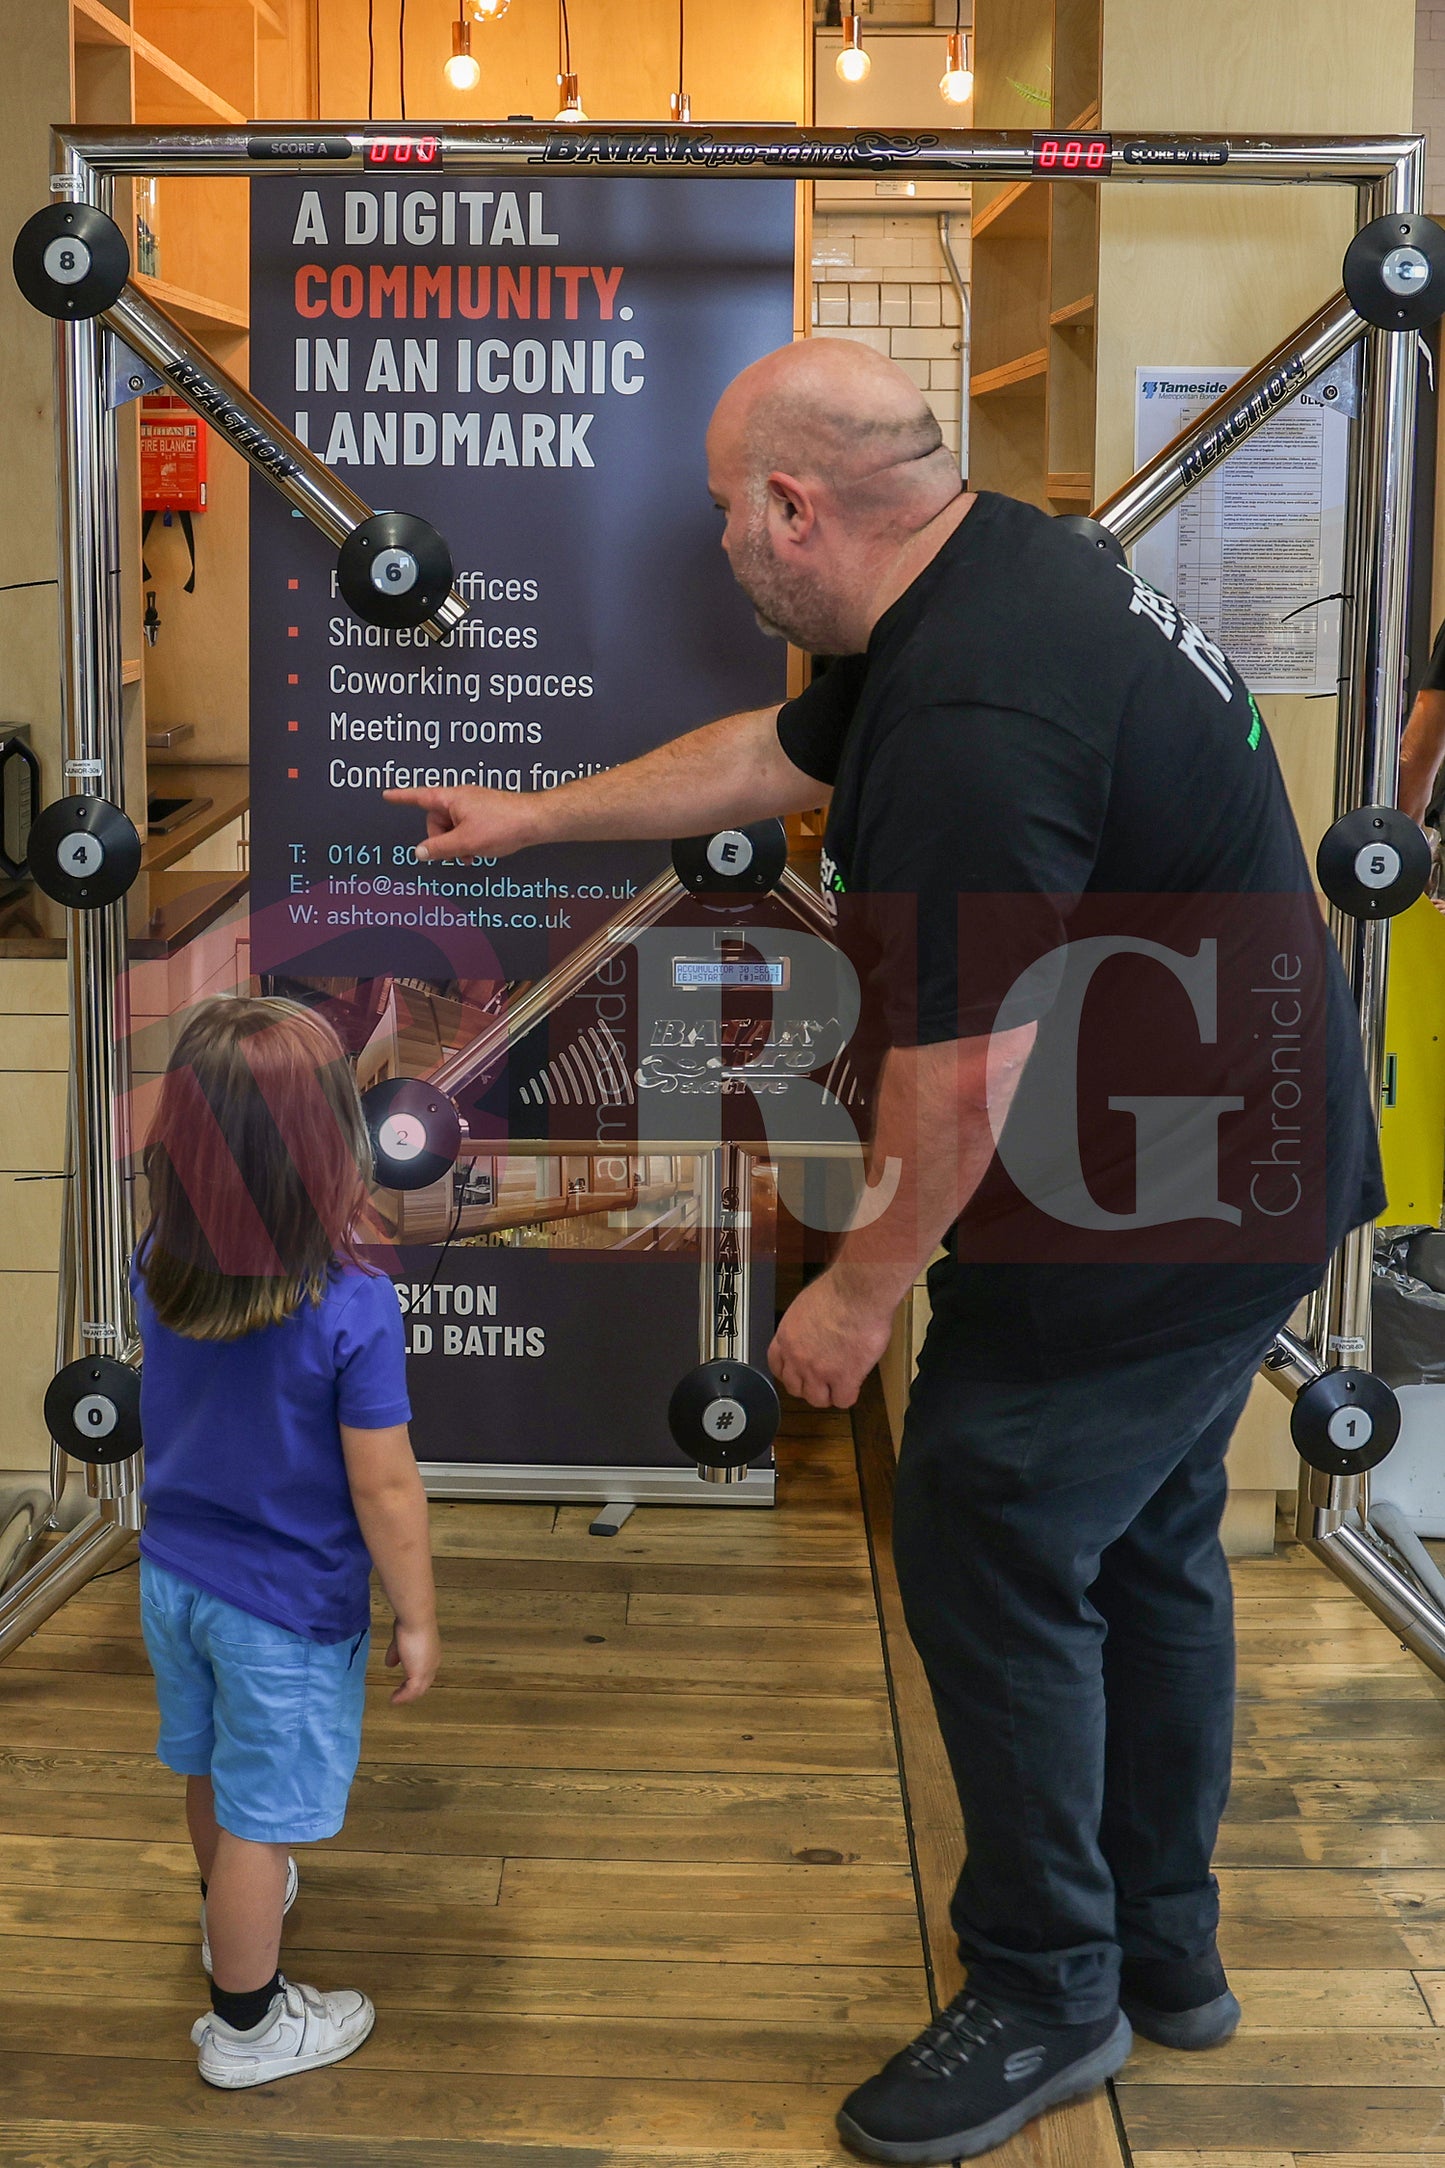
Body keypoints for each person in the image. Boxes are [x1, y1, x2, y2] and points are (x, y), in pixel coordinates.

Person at [387, 338, 1384, 2165]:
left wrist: (856, 1294)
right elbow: (774, 750)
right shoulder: (995, 572)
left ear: (794, 506)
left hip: (1155, 1207)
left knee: (990, 1522)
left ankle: (1047, 1985)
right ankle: (1166, 1949)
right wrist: (539, 815)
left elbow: (961, 1068)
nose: (714, 543)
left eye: (719, 512)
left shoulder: (973, 723)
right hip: (1233, 1158)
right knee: (1145, 1538)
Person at [133, 996, 440, 2090]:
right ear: (329, 1148)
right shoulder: (351, 1305)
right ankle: (248, 2025)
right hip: (284, 1607)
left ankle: (234, 1917)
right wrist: (416, 1613)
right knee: (265, 1816)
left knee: (212, 1767)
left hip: (172, 1579)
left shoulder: (159, 1257)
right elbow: (386, 1484)